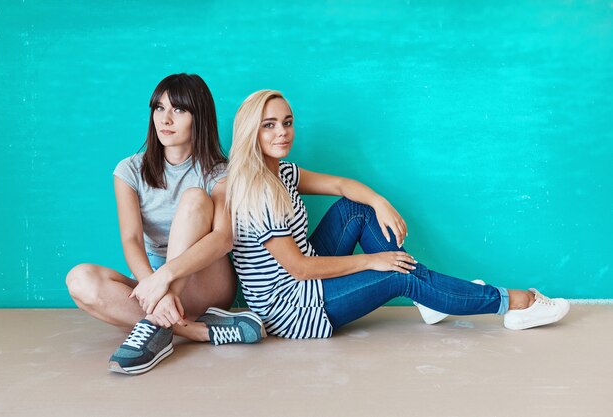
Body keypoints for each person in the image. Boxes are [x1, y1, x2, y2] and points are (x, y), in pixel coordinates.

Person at [225, 90, 570, 339]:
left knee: (355, 209)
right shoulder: (258, 191)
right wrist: (372, 260)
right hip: (292, 311)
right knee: (397, 275)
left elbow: (342, 185)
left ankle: (430, 296)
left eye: (287, 122)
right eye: (268, 125)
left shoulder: (281, 171)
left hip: (305, 283)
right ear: (250, 131)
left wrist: (379, 201)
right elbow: (298, 268)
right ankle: (513, 301)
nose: (282, 132)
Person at [66, 74, 265, 375]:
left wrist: (164, 278)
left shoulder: (219, 172)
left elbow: (224, 238)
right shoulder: (129, 170)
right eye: (159, 108)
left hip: (206, 280)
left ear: (199, 117)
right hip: (157, 284)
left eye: (179, 110)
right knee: (80, 280)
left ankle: (158, 320)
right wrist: (153, 284)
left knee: (195, 199)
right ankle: (195, 331)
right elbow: (132, 239)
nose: (165, 119)